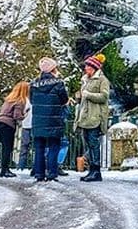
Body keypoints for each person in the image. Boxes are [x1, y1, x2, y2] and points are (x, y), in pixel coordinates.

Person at [30, 57, 68, 182]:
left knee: (39, 148)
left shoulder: (34, 84)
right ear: (53, 69)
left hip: (38, 121)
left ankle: (39, 173)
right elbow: (64, 99)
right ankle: (52, 173)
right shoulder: (58, 83)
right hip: (54, 120)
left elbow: (32, 100)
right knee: (54, 146)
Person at [75, 54, 110, 182]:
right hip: (85, 117)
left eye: (88, 67)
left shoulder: (102, 80)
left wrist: (88, 95)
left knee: (94, 144)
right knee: (88, 144)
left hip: (95, 117)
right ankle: (91, 170)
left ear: (94, 68)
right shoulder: (85, 80)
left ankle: (96, 171)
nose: (86, 69)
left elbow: (104, 97)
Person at [0, 81, 28, 178]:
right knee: (8, 148)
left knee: (4, 147)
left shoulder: (9, 99)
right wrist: (25, 115)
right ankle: (5, 170)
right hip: (8, 124)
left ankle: (3, 169)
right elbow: (17, 116)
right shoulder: (20, 101)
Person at [17, 94, 33, 171]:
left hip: (31, 125)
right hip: (26, 125)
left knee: (26, 146)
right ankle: (21, 166)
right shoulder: (24, 100)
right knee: (24, 145)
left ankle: (22, 166)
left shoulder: (29, 99)